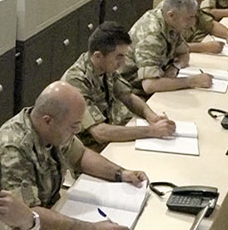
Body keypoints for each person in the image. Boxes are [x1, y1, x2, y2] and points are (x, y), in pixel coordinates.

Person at [0, 81, 148, 230]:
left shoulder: (53, 129)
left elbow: (81, 155)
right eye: (73, 126)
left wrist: (120, 173)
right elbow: (28, 214)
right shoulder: (13, 150)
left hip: (49, 214)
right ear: (47, 121)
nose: (78, 130)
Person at [61, 21, 176, 152]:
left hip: (108, 137)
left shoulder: (104, 66)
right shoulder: (76, 81)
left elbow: (128, 97)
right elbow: (99, 132)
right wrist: (151, 130)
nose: (123, 62)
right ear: (98, 56)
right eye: (119, 57)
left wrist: (151, 117)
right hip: (85, 149)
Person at [121, 0, 210, 95]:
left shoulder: (172, 22)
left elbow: (184, 53)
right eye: (189, 18)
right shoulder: (152, 35)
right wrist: (191, 81)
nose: (192, 23)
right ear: (171, 15)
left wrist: (175, 67)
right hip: (131, 91)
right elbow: (149, 85)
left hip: (155, 82)